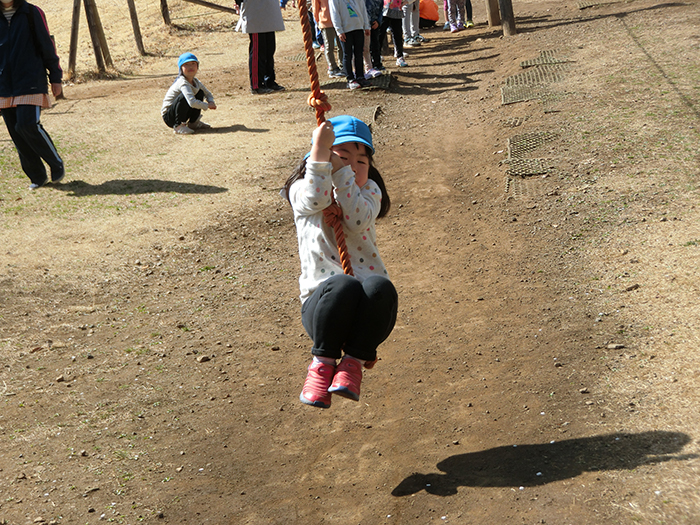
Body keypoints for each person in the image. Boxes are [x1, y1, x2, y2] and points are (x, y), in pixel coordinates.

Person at [283, 116, 398, 409]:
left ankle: (353, 364)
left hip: (365, 315)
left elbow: (356, 218)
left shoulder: (369, 192)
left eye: (362, 161)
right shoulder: (301, 191)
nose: (353, 167)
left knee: (381, 288)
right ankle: (321, 366)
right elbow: (318, 198)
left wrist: (341, 172)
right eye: (343, 157)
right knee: (343, 285)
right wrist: (323, 157)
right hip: (324, 309)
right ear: (317, 160)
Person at [0, 0, 64, 190]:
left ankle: (55, 162)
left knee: (26, 124)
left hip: (30, 81)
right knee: (16, 133)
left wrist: (55, 77)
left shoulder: (31, 12)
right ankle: (37, 176)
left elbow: (47, 45)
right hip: (4, 85)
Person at [236, 0, 286, 94]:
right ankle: (256, 84)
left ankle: (269, 81)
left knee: (269, 49)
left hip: (269, 11)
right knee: (258, 51)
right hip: (255, 13)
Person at [161, 52, 216, 135]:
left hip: (183, 111)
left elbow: (207, 93)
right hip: (170, 117)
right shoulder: (182, 82)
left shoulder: (196, 82)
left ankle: (193, 123)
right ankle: (178, 126)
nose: (190, 67)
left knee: (199, 92)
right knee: (184, 96)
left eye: (193, 63)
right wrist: (207, 105)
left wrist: (211, 101)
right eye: (186, 64)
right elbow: (192, 102)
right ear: (181, 68)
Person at [328, 0, 371, 89]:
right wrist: (339, 30)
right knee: (347, 54)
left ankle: (360, 76)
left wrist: (366, 26)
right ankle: (350, 79)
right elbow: (334, 13)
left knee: (359, 53)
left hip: (358, 27)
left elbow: (363, 9)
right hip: (345, 30)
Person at [312, 0, 345, 78]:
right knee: (329, 46)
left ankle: (343, 65)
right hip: (326, 21)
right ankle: (332, 68)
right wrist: (319, 21)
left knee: (341, 44)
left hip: (339, 20)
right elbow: (315, 8)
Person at [381, 0, 408, 67]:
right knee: (380, 34)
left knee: (398, 34)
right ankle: (376, 56)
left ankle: (400, 56)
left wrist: (407, 1)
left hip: (397, 10)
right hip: (383, 10)